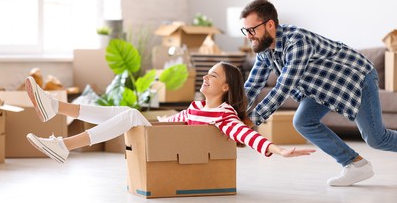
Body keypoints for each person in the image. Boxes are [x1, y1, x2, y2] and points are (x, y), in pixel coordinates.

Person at [240, 0, 397, 187]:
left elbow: (284, 87)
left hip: (356, 78)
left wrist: (251, 120)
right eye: (246, 30)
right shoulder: (264, 50)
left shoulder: (297, 41)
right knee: (303, 121)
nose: (248, 36)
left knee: (376, 139)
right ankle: (356, 165)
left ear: (270, 25)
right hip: (324, 87)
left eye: (252, 30)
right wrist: (233, 112)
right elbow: (252, 85)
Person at [25, 61, 315, 163]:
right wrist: (161, 121)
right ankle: (55, 109)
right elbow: (173, 122)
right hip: (163, 138)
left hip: (168, 148)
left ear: (226, 87)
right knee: (126, 112)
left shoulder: (224, 114)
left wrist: (278, 150)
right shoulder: (197, 108)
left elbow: (245, 134)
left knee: (127, 114)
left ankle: (62, 141)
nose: (205, 78)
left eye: (213, 76)